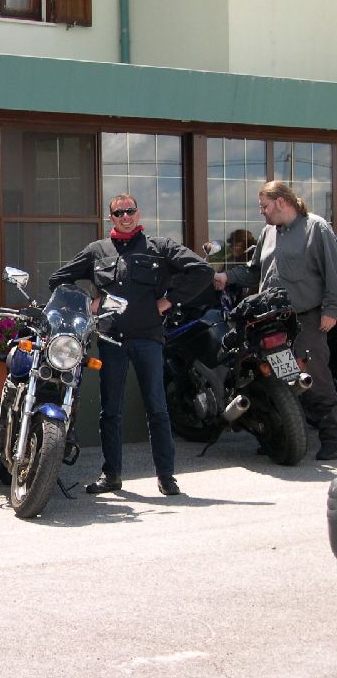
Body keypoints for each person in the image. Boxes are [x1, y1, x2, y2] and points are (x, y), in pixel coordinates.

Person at [49, 194, 213, 496]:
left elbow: (202, 271)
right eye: (119, 213)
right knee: (110, 410)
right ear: (111, 217)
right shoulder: (97, 251)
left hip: (148, 338)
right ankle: (111, 475)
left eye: (130, 211)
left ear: (138, 214)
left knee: (157, 408)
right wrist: (90, 302)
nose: (125, 216)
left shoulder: (159, 247)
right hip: (111, 339)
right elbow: (58, 280)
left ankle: (166, 476)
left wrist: (169, 301)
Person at [214, 180, 337, 461]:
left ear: (281, 202)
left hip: (306, 320)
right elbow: (254, 271)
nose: (262, 212)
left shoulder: (316, 228)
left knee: (314, 379)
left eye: (264, 206)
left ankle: (332, 437)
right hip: (270, 322)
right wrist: (225, 276)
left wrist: (332, 310)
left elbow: (334, 272)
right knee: (275, 380)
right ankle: (280, 436)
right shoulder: (268, 232)